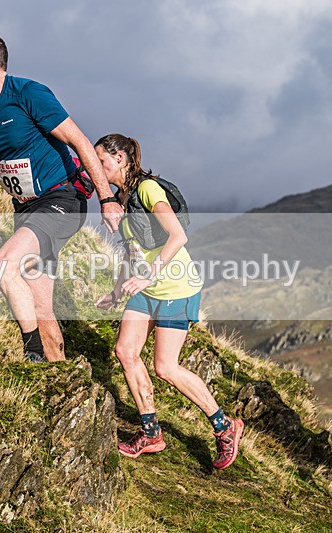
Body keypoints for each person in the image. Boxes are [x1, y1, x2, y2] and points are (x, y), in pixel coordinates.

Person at [0, 31, 123, 363]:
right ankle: (57, 372)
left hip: (62, 201)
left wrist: (107, 199)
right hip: (26, 209)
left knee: (5, 264)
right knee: (39, 305)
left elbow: (80, 142)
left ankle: (30, 350)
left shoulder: (30, 94)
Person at [93, 133, 243, 470]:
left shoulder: (147, 189)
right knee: (125, 351)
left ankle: (224, 426)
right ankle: (151, 433)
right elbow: (132, 252)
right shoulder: (122, 199)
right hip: (147, 290)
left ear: (120, 158)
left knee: (166, 367)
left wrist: (150, 275)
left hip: (176, 288)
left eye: (101, 161)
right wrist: (118, 291)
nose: (96, 169)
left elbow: (178, 235)